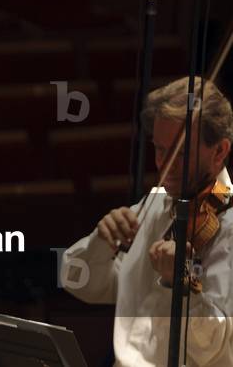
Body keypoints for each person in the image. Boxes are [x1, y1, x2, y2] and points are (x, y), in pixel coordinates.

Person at [61, 76, 233, 367]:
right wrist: (101, 242)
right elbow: (78, 281)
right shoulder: (156, 203)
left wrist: (179, 283)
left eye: (180, 153)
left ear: (219, 152)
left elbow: (210, 347)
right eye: (160, 149)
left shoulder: (228, 227)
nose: (165, 165)